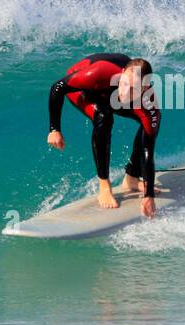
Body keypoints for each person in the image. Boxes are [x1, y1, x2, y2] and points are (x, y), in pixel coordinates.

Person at [47, 54, 161, 216]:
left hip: (110, 95)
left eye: (133, 88)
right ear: (122, 74)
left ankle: (132, 178)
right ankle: (104, 186)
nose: (125, 91)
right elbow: (57, 87)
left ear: (144, 87)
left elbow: (148, 149)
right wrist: (55, 129)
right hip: (88, 90)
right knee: (104, 117)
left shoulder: (148, 102)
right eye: (125, 84)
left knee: (150, 124)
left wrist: (148, 195)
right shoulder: (97, 73)